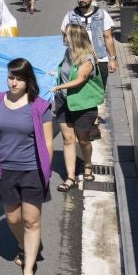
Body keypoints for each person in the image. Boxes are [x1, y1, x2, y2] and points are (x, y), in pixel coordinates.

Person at [0, 58, 53, 275]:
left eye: (18, 79)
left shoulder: (39, 106)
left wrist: (45, 172)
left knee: (31, 221)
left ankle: (29, 272)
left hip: (32, 171)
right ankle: (22, 243)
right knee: (13, 219)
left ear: (28, 81)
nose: (13, 83)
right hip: (6, 170)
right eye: (11, 77)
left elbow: (47, 144)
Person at [52, 24, 105, 193]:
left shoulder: (88, 58)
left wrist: (58, 88)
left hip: (83, 105)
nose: (62, 37)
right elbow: (65, 74)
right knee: (68, 139)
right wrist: (55, 77)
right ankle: (70, 177)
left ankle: (87, 164)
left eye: (65, 35)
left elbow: (80, 79)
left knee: (83, 140)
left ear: (73, 37)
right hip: (64, 103)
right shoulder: (68, 53)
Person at [60, 0, 115, 140]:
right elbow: (64, 37)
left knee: (96, 91)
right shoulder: (70, 15)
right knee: (80, 90)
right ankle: (84, 124)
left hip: (100, 59)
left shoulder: (102, 15)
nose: (81, 0)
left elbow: (108, 38)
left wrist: (112, 59)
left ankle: (92, 123)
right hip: (78, 60)